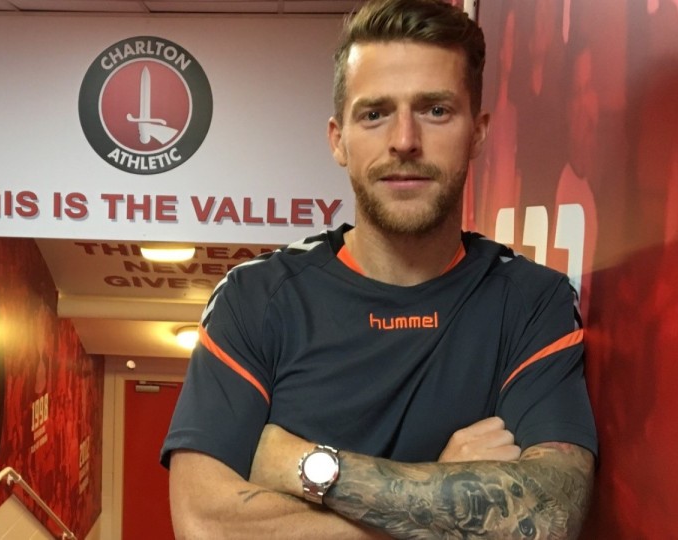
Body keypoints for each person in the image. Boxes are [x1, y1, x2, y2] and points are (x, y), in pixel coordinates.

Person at [161, 1, 597, 538]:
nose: (405, 140)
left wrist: (308, 467)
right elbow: (205, 523)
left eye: (436, 110)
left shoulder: (531, 300)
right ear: (338, 139)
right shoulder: (255, 298)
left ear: (478, 133)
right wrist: (445, 493)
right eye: (374, 114)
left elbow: (551, 513)